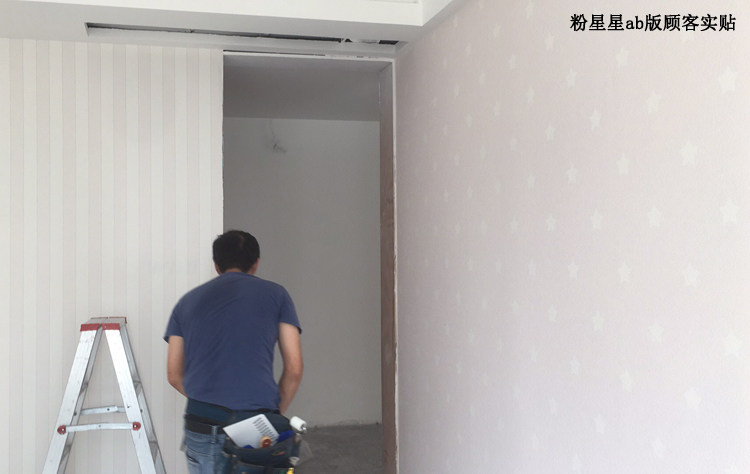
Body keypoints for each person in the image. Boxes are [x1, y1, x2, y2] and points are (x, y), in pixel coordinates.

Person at [164, 230, 303, 473]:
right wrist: (271, 415)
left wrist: (211, 403)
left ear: (216, 265)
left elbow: (174, 375)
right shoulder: (277, 295)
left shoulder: (186, 302)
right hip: (255, 423)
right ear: (256, 263)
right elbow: (294, 368)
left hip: (201, 424)